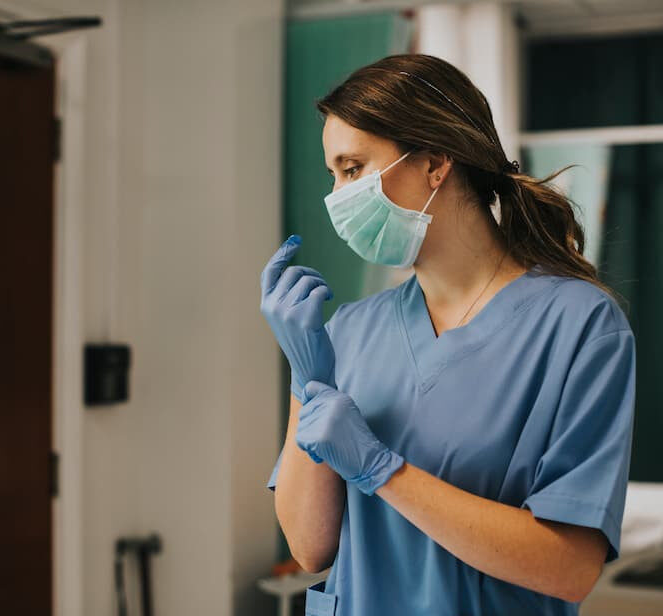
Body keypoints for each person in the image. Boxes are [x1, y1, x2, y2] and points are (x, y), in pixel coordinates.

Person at [259, 53, 636, 616]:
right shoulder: (349, 331)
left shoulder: (579, 325)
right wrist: (308, 376)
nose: (337, 196)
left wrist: (382, 469)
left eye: (354, 168)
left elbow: (570, 568)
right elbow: (311, 547)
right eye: (332, 174)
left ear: (435, 162)